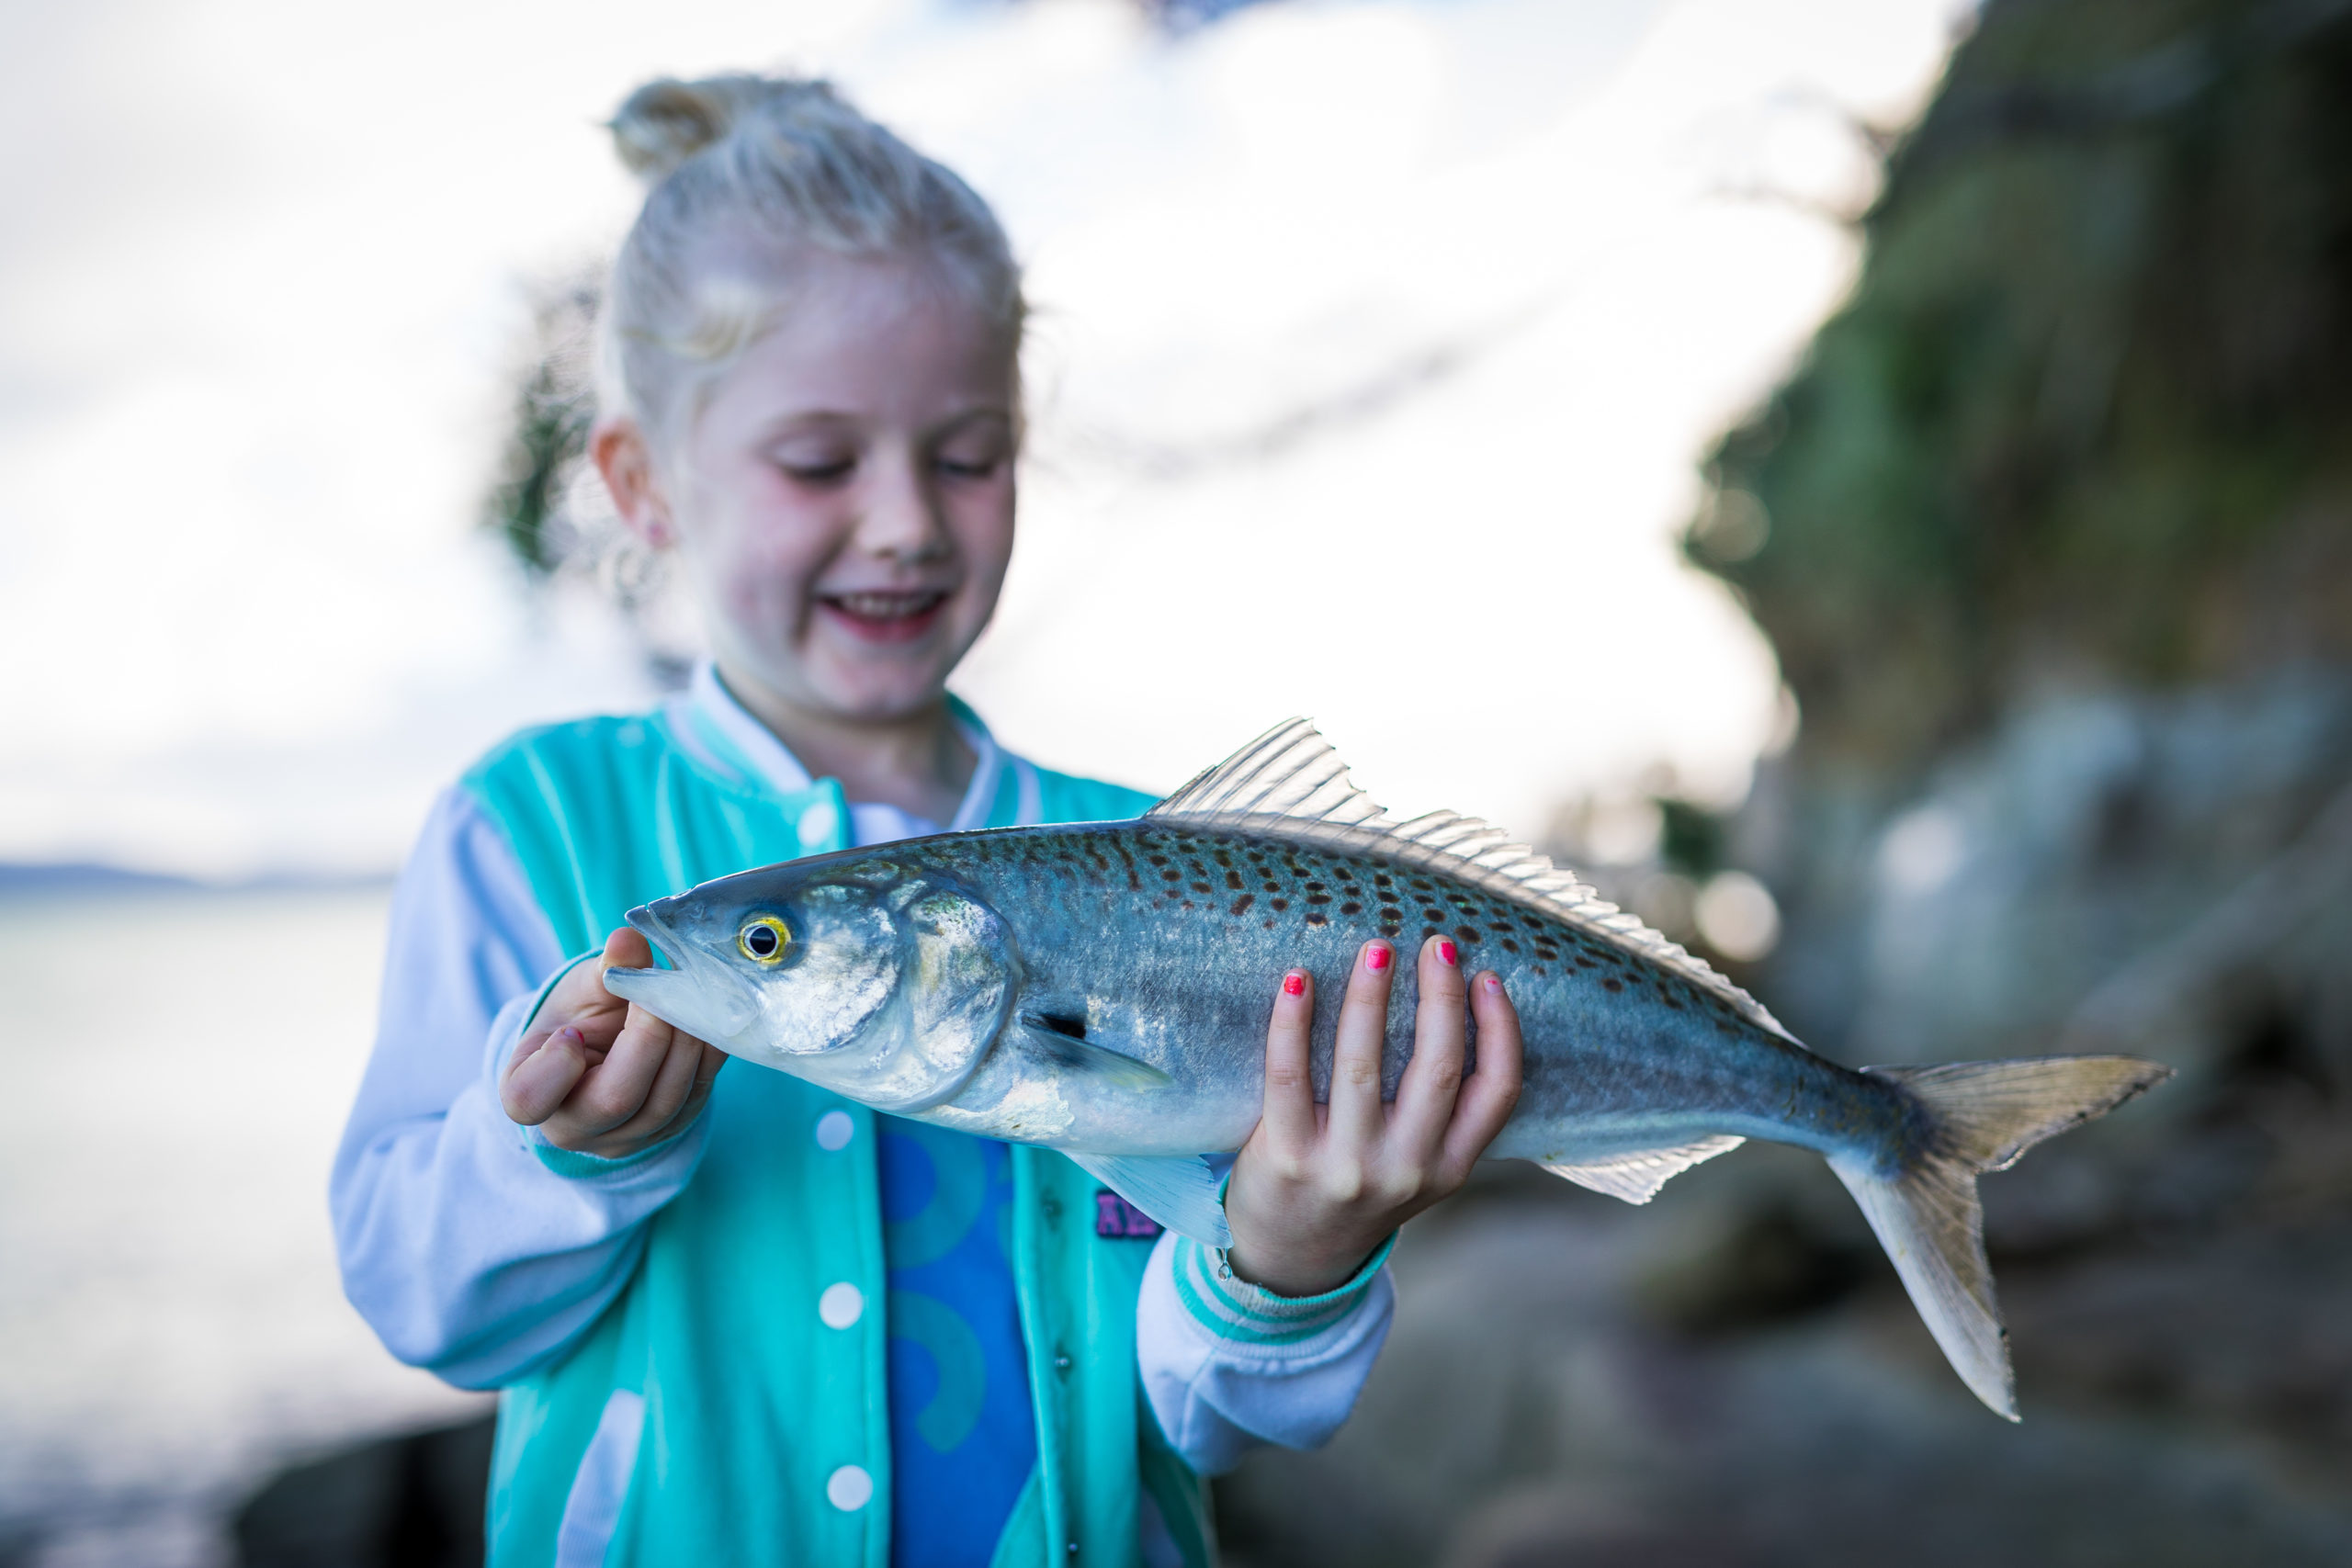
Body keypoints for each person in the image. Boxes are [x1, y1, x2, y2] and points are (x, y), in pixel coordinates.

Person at [331, 73, 1523, 1568]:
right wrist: (567, 1153)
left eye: (966, 454)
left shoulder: (1170, 858)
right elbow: (420, 1304)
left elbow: (1214, 1416)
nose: (903, 519)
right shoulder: (529, 824)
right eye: (820, 461)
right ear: (643, 483)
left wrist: (1287, 1261)